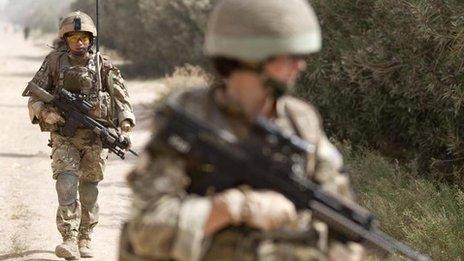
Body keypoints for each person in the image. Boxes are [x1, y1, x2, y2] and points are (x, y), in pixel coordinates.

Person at [119, 0, 363, 260]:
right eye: (290, 55)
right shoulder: (191, 119)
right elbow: (146, 231)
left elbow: (340, 220)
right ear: (253, 55)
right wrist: (236, 208)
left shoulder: (300, 122)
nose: (300, 65)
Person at [23, 10, 135, 260]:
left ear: (90, 39)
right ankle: (69, 238)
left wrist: (125, 124)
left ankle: (86, 236)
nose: (79, 42)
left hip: (95, 137)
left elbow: (121, 97)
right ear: (66, 39)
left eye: (83, 37)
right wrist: (45, 113)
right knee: (66, 183)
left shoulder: (102, 64)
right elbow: (33, 96)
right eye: (73, 38)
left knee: (89, 190)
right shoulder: (54, 62)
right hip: (64, 135)